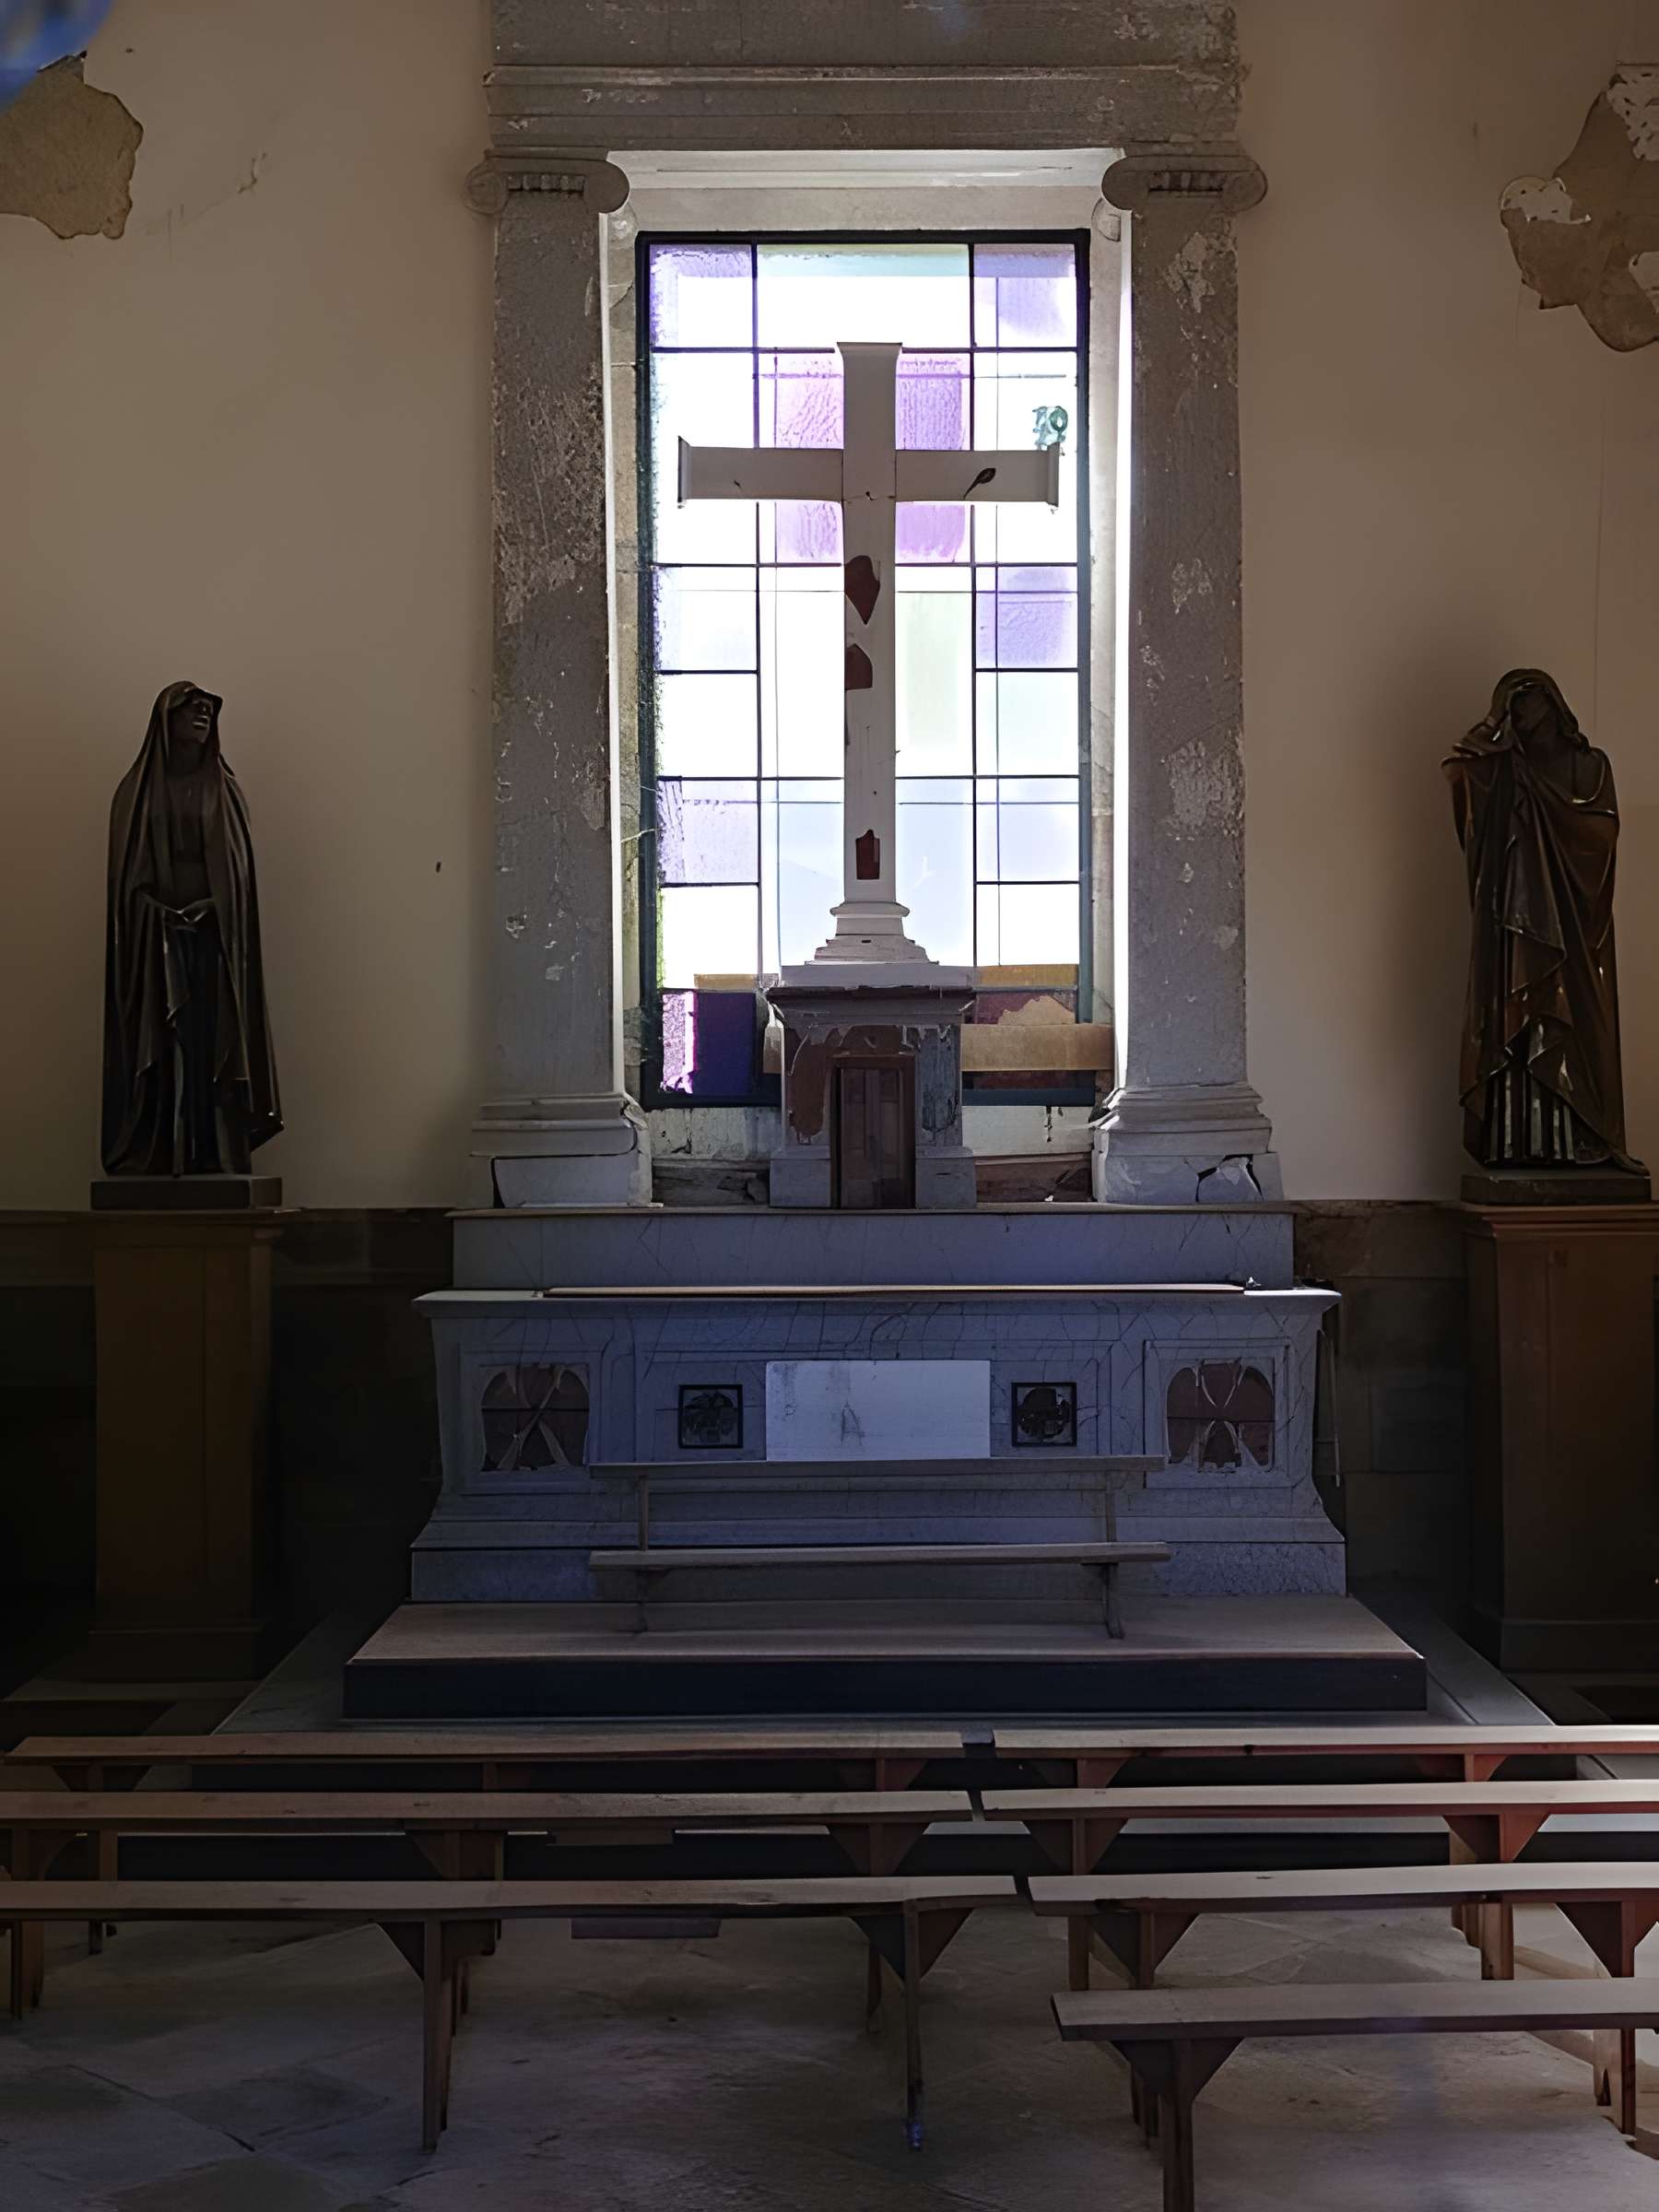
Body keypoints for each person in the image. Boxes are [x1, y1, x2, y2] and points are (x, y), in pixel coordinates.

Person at [1444, 668, 1635, 1172]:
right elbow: (1462, 769)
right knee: (1519, 1019)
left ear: (1555, 705)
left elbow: (1601, 841)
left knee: (1577, 1029)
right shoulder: (1504, 769)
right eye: (1513, 706)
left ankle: (1584, 1140)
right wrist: (1490, 720)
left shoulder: (1589, 768)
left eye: (1529, 703)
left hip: (1574, 930)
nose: (1521, 716)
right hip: (1517, 927)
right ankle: (1518, 1145)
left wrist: (1554, 827)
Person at [101, 681, 281, 1176]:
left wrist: (213, 907)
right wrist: (154, 913)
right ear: (166, 719)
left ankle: (212, 1153)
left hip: (212, 943)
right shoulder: (135, 794)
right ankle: (157, 1150)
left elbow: (239, 878)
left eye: (209, 709)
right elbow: (124, 881)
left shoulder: (223, 792)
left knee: (210, 1045)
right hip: (153, 942)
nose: (202, 715)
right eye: (191, 707)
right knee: (159, 1045)